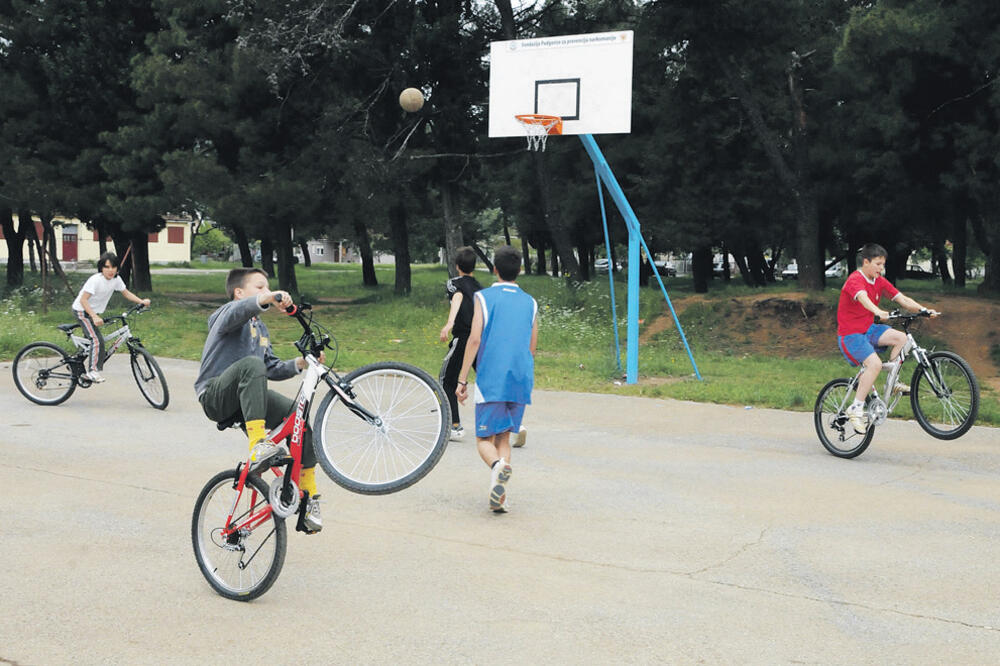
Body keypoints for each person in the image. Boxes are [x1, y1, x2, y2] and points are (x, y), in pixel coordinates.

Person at [194, 268, 324, 533]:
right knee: (251, 365)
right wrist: (268, 298)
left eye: (268, 287)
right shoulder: (225, 315)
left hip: (246, 398)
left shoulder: (260, 328)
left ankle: (307, 496)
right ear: (239, 293)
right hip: (216, 396)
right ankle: (258, 445)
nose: (267, 291)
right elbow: (239, 313)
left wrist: (301, 363)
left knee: (298, 416)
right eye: (260, 287)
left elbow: (271, 367)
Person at [456, 245, 538, 513]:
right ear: (520, 270)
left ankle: (497, 466)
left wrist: (462, 379)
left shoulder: (483, 297)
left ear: (494, 269)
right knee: (503, 437)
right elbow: (532, 346)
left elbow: (475, 339)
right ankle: (500, 496)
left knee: (484, 440)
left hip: (493, 378)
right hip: (520, 377)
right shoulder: (530, 302)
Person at [836, 243, 938, 433]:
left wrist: (923, 309)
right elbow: (863, 299)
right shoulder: (854, 280)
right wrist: (878, 311)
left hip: (869, 329)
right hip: (850, 335)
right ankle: (856, 408)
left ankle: (892, 383)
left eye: (883, 264)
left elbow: (903, 299)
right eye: (878, 264)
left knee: (902, 339)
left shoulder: (879, 281)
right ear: (866, 262)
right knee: (874, 364)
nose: (881, 268)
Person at [71, 252, 151, 383]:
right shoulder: (96, 280)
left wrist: (141, 301)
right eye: (107, 267)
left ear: (117, 268)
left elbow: (126, 293)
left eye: (113, 267)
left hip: (93, 312)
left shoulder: (116, 280)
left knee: (90, 343)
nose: (110, 270)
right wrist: (94, 317)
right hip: (82, 311)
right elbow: (83, 300)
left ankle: (76, 362)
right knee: (97, 340)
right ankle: (92, 372)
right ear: (101, 268)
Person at [439, 247, 483, 441]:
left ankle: (454, 426)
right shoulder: (480, 287)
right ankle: (511, 423)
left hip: (464, 339)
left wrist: (450, 322)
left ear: (457, 266)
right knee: (489, 380)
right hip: (480, 340)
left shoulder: (454, 283)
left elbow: (457, 297)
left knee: (446, 380)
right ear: (474, 266)